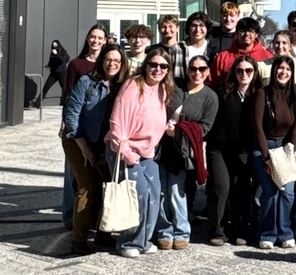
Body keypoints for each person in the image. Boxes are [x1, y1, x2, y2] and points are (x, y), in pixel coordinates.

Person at [61, 43, 129, 254]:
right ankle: (79, 240)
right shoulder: (86, 82)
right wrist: (84, 148)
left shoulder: (124, 86)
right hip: (77, 139)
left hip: (103, 143)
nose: (112, 64)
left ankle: (103, 233)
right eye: (108, 59)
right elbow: (71, 116)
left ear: (122, 64)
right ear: (101, 61)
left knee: (109, 185)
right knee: (87, 187)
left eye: (116, 60)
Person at [106, 48, 173, 257]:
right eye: (153, 64)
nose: (158, 69)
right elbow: (117, 121)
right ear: (146, 66)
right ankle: (128, 242)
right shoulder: (133, 86)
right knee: (138, 195)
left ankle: (144, 240)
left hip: (147, 152)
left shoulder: (163, 89)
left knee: (154, 194)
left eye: (163, 66)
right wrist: (125, 151)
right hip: (123, 149)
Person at [156, 52, 219, 250]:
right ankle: (164, 231)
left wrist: (178, 131)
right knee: (160, 191)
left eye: (201, 69)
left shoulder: (210, 97)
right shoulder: (175, 87)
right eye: (193, 68)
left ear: (207, 72)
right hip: (161, 146)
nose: (197, 73)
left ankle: (182, 231)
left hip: (182, 149)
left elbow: (205, 127)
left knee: (176, 190)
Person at [252, 55, 296, 249]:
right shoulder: (263, 93)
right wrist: (266, 156)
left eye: (288, 69)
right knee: (270, 191)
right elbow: (257, 126)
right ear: (274, 69)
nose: (283, 72)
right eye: (280, 68)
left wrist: (290, 149)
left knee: (288, 192)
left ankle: (285, 232)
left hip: (286, 147)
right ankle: (267, 233)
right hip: (264, 146)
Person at [206, 55, 261, 247]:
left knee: (241, 189)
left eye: (248, 70)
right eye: (239, 70)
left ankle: (240, 230)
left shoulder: (258, 94)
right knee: (221, 188)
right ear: (234, 72)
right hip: (219, 148)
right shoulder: (223, 92)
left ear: (254, 72)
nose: (244, 74)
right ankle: (217, 231)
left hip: (244, 150)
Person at [61, 24, 107, 227]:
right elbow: (68, 96)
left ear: (105, 41)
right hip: (76, 126)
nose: (96, 41)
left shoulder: (107, 63)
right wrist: (66, 124)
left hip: (98, 128)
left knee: (94, 176)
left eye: (100, 38)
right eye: (93, 37)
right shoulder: (76, 64)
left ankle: (91, 217)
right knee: (73, 173)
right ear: (88, 39)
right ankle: (70, 216)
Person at [212, 17, 273, 83]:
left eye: (250, 31)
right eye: (242, 30)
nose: (246, 34)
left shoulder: (267, 56)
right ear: (237, 33)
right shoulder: (222, 57)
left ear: (256, 35)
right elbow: (212, 83)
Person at [170, 12, 211, 88]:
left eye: (201, 25)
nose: (197, 29)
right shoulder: (176, 49)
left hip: (206, 91)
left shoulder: (212, 49)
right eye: (194, 26)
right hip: (180, 91)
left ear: (207, 28)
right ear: (188, 28)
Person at [37, 39, 70, 106]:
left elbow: (61, 60)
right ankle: (37, 103)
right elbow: (51, 61)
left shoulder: (63, 52)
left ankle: (67, 102)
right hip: (54, 73)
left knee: (64, 89)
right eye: (53, 45)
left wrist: (56, 54)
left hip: (62, 73)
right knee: (46, 87)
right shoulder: (53, 52)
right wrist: (48, 65)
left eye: (55, 45)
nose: (54, 47)